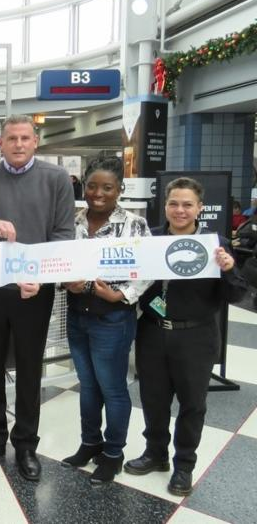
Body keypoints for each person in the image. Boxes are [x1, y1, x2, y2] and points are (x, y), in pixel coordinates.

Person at [0, 114, 75, 482]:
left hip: (33, 292)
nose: (19, 144)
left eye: (25, 137)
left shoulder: (57, 180)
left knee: (29, 366)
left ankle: (25, 444)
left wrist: (39, 276)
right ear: (1, 143)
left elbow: (63, 235)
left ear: (36, 141)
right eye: (12, 138)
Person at [124, 177, 247, 497]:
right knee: (153, 398)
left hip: (196, 336)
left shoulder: (215, 243)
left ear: (200, 208)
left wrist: (228, 267)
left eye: (187, 204)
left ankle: (184, 465)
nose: (180, 210)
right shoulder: (148, 239)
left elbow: (235, 294)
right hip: (152, 331)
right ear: (164, 206)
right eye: (174, 203)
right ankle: (155, 453)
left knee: (193, 404)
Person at [59, 157, 151, 484]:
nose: (98, 193)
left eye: (107, 187)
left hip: (112, 318)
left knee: (112, 388)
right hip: (77, 316)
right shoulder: (72, 221)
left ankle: (113, 453)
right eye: (92, 186)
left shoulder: (134, 224)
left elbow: (148, 269)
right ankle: (89, 444)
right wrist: (63, 279)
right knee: (88, 386)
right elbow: (58, 261)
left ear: (119, 190)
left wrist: (122, 295)